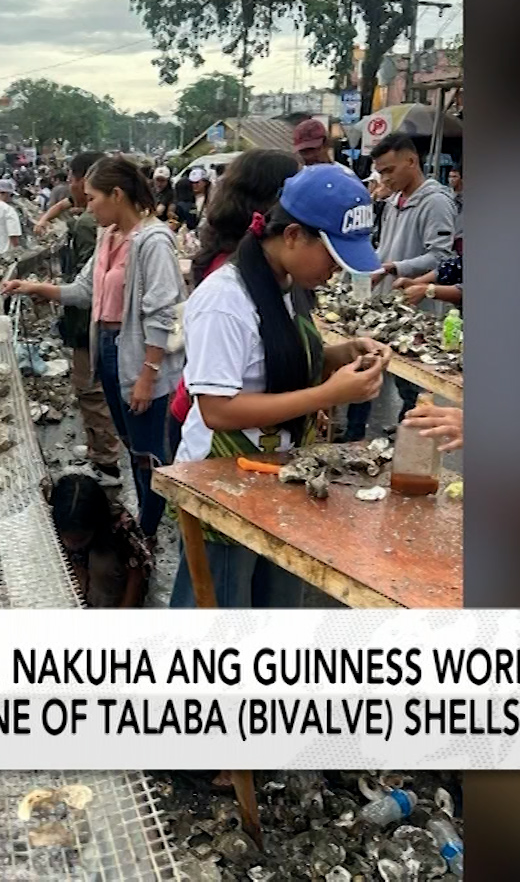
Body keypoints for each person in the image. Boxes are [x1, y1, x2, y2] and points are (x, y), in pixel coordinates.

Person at [170, 165, 393, 608]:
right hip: (223, 483)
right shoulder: (224, 301)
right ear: (292, 235)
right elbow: (217, 410)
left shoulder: (288, 284)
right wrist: (329, 395)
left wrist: (341, 354)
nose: (335, 271)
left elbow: (274, 362)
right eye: (332, 256)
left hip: (279, 475)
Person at [3, 154, 187, 539]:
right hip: (108, 349)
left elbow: (162, 313)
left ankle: (149, 529)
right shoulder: (108, 236)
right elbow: (86, 291)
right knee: (131, 443)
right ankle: (144, 517)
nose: (87, 207)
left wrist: (148, 376)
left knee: (149, 451)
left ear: (116, 194)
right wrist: (36, 288)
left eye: (92, 198)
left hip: (139, 354)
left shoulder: (153, 241)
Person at [170, 148, 302, 430]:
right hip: (209, 433)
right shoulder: (230, 282)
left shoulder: (273, 271)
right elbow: (217, 409)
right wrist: (325, 395)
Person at [343, 131, 459, 440]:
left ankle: (409, 443)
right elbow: (385, 248)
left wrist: (396, 267)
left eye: (389, 170)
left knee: (411, 386)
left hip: (417, 309)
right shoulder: (393, 201)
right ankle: (355, 435)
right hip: (385, 304)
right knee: (368, 370)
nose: (385, 178)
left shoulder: (436, 202)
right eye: (380, 172)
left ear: (411, 161)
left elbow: (442, 257)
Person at [33, 152, 123, 481]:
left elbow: (88, 287)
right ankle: (102, 452)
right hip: (95, 323)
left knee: (91, 392)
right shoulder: (105, 223)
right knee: (96, 392)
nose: (70, 186)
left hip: (88, 325)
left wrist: (46, 290)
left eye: (72, 179)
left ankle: (106, 462)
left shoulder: (89, 225)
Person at [50, 474, 151, 608]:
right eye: (67, 538)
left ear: (97, 524)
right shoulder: (53, 521)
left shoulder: (121, 529)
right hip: (82, 570)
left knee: (102, 566)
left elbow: (136, 575)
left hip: (108, 581)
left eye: (80, 540)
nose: (72, 544)